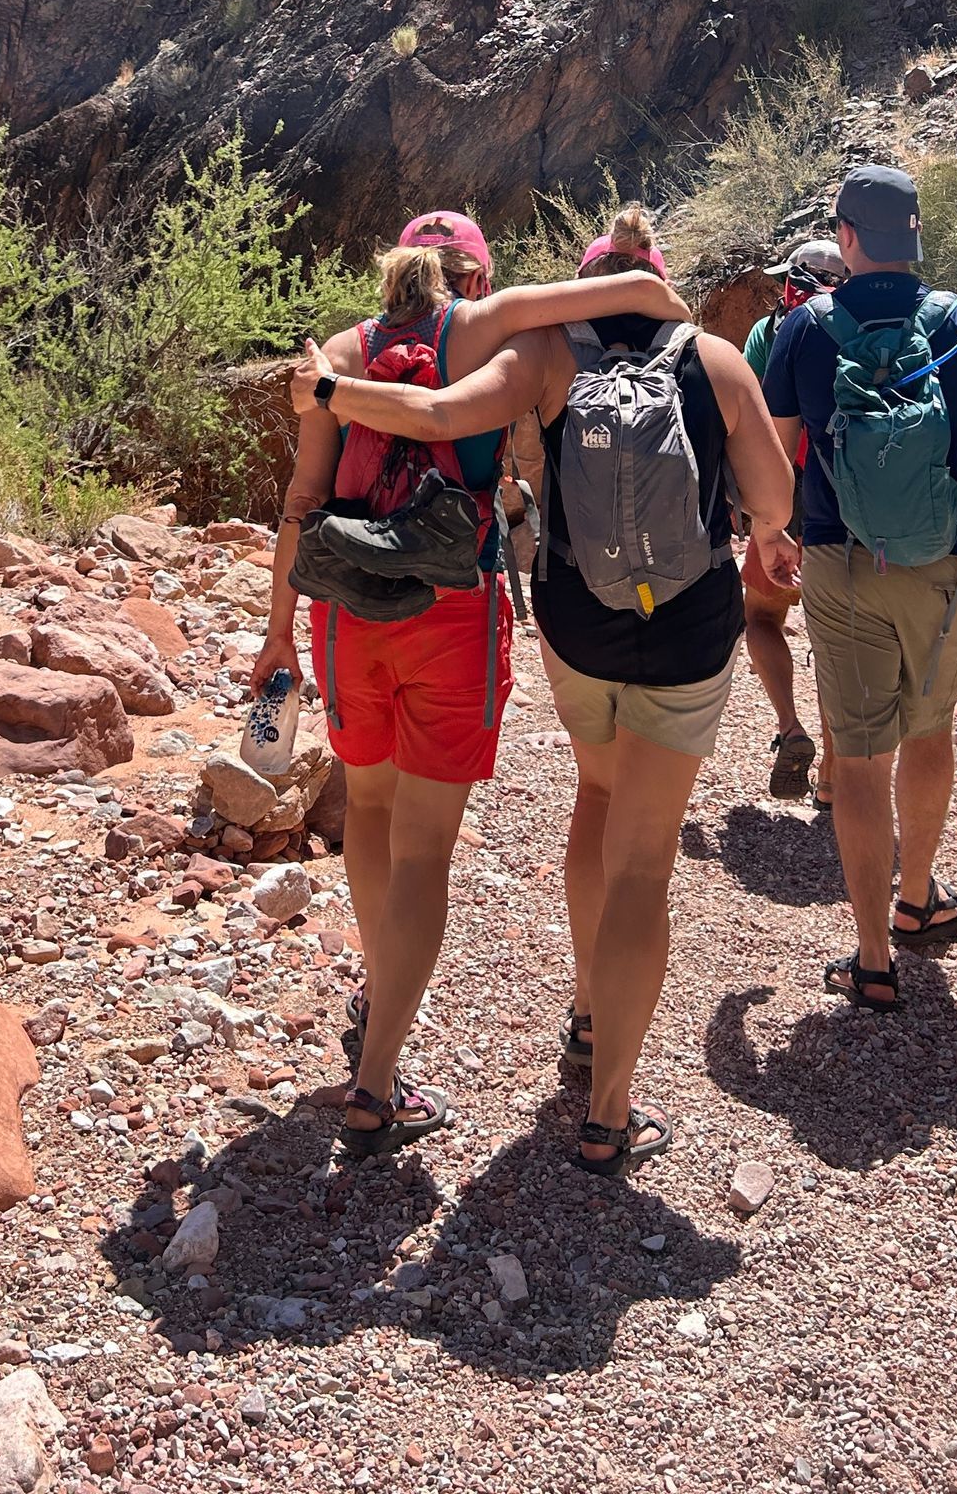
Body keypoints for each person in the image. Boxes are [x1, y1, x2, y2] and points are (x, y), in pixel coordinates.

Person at [289, 208, 797, 1175]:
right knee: (643, 861)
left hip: (557, 626)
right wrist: (761, 531)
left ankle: (484, 1009)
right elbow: (774, 506)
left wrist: (332, 394)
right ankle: (606, 1101)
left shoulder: (540, 358)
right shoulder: (710, 358)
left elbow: (402, 444)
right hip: (675, 629)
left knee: (576, 798)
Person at [761, 164, 957, 1014]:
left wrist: (770, 536)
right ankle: (918, 896)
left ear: (844, 236)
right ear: (916, 231)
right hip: (942, 563)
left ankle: (871, 955)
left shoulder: (808, 328)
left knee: (857, 756)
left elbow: (776, 457)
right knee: (929, 730)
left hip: (839, 561)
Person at [738, 238, 846, 803]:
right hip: (845, 505)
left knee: (760, 617)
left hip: (785, 499)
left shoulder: (770, 331)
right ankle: (831, 775)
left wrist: (753, 506)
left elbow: (752, 419)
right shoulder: (866, 327)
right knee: (833, 639)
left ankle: (789, 725)